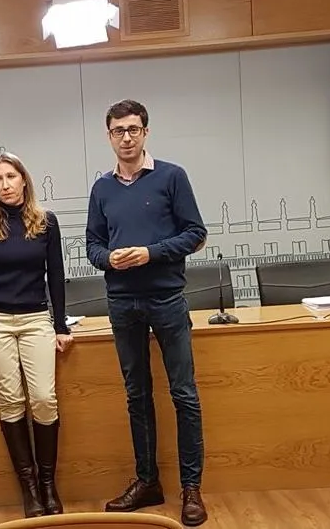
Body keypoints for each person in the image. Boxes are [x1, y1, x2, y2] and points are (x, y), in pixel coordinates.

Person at [85, 100, 209, 526]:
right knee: (136, 395)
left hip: (166, 299)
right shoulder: (101, 188)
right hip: (122, 303)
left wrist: (150, 254)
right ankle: (147, 481)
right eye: (118, 130)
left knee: (183, 394)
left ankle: (191, 488)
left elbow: (196, 234)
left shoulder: (172, 176)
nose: (126, 137)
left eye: (133, 129)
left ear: (145, 133)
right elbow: (92, 247)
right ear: (109, 136)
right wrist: (109, 260)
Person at [0, 151, 74, 518]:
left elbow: (55, 275)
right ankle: (29, 490)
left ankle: (47, 483)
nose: (5, 184)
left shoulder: (46, 223)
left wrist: (59, 325)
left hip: (35, 318)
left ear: (24, 179)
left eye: (10, 176)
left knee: (43, 398)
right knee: (11, 401)